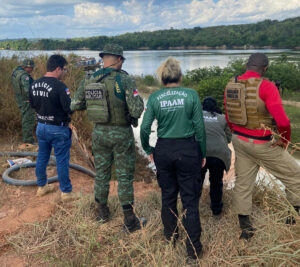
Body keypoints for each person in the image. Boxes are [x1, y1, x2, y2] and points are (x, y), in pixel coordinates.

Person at [224, 53, 300, 240]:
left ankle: (245, 229)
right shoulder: (267, 86)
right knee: (295, 176)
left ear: (246, 65)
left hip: (239, 141)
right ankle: (292, 218)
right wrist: (284, 140)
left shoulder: (231, 84)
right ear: (265, 68)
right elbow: (283, 121)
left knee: (243, 183)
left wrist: (238, 133)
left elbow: (229, 116)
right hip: (262, 144)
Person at [71, 44, 145, 233]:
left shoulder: (89, 79)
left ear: (104, 59)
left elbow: (76, 104)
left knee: (102, 174)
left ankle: (102, 213)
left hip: (99, 134)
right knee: (124, 177)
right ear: (119, 59)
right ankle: (130, 221)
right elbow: (136, 110)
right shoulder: (125, 80)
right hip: (121, 134)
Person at [140, 57, 206, 259]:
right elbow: (200, 129)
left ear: (162, 77)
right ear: (180, 75)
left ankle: (170, 238)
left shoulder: (154, 98)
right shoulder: (191, 95)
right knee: (190, 201)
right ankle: (193, 251)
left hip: (164, 149)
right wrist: (201, 152)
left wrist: (148, 148)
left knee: (168, 197)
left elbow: (144, 127)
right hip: (187, 149)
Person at [29, 54, 76, 201]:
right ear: (58, 68)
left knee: (42, 156)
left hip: (41, 126)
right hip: (57, 129)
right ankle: (66, 192)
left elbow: (33, 105)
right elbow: (69, 108)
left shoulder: (34, 84)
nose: (64, 73)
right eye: (64, 70)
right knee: (62, 159)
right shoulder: (60, 86)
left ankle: (42, 187)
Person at [201, 96, 232, 216]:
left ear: (203, 106)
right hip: (219, 155)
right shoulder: (223, 118)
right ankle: (216, 210)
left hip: (201, 154)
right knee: (216, 182)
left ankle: (191, 208)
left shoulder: (197, 116)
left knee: (197, 181)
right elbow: (229, 139)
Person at [11, 59, 36, 144]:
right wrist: (32, 99)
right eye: (31, 68)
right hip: (26, 100)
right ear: (26, 67)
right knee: (29, 119)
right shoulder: (24, 75)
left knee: (25, 117)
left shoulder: (16, 71)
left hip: (20, 98)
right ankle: (28, 140)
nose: (32, 69)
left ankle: (27, 138)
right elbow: (28, 90)